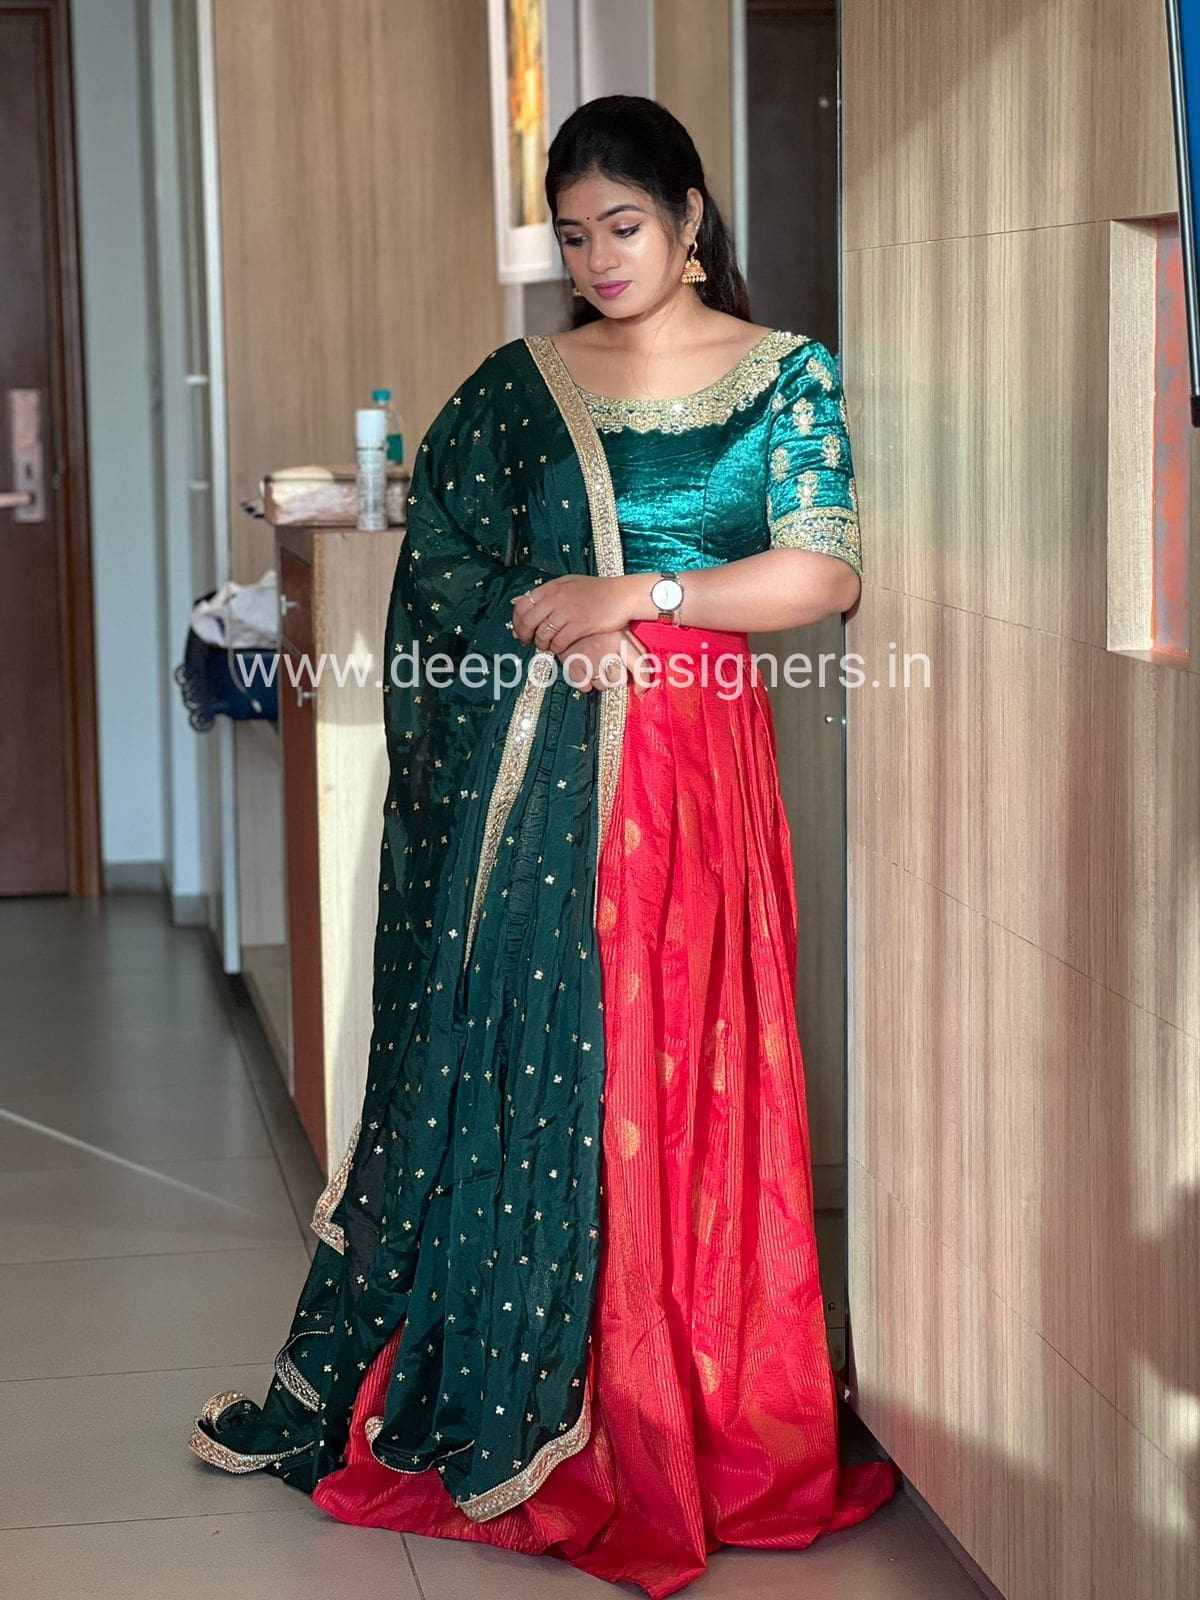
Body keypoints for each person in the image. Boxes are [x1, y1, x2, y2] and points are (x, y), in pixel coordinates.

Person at [188, 93, 900, 1598]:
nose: (599, 260)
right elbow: (443, 568)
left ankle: (697, 1408)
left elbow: (823, 575)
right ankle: (565, 1400)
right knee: (555, 1068)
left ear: (690, 218)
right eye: (574, 237)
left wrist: (639, 597)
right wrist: (550, 624)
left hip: (697, 785)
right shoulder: (522, 387)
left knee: (684, 1070)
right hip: (544, 801)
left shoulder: (783, 373)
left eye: (623, 226)